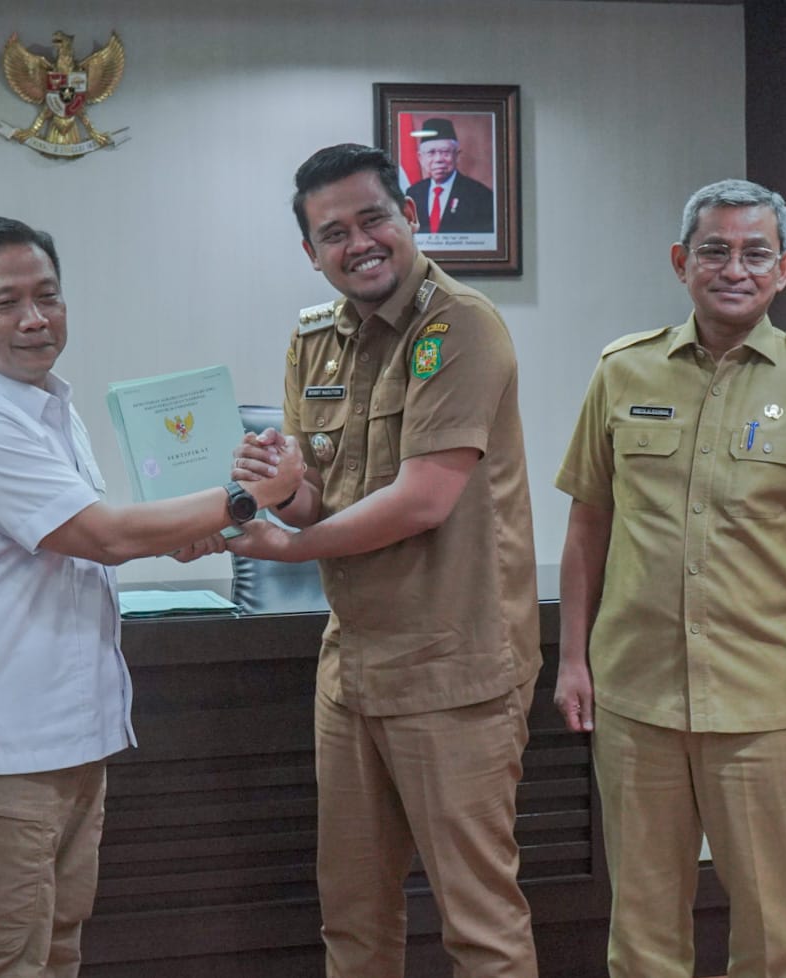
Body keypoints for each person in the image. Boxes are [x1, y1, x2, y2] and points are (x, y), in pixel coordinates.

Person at [0, 216, 303, 978]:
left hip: (67, 738)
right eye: (6, 302)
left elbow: (82, 541)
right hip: (2, 752)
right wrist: (244, 498)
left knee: (58, 954)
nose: (34, 318)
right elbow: (104, 536)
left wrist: (185, 531)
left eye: (48, 296)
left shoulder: (47, 403)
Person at [553, 179, 786, 978]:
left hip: (766, 705)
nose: (734, 268)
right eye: (714, 251)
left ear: (784, 268)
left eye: (755, 253)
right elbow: (588, 523)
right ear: (681, 262)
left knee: (773, 933)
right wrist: (572, 659)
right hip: (638, 698)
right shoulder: (623, 371)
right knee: (642, 933)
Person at [230, 144, 540, 977]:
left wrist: (289, 543)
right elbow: (315, 496)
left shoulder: (460, 325)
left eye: (374, 219)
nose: (359, 243)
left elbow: (423, 499)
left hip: (454, 671)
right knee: (353, 919)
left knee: (480, 927)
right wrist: (279, 488)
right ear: (311, 252)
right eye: (334, 233)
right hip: (354, 667)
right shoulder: (315, 341)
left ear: (409, 217)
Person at [404, 118, 494, 234]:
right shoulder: (413, 193)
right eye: (431, 153)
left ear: (457, 156)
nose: (438, 159)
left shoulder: (480, 196)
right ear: (420, 158)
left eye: (445, 152)